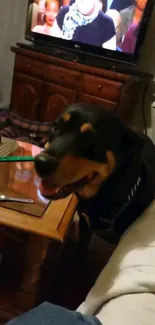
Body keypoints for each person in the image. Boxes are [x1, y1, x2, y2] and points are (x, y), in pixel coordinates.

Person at [51, 0, 116, 50]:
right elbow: (52, 46)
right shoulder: (64, 13)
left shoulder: (107, 23)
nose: (83, 1)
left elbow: (108, 60)